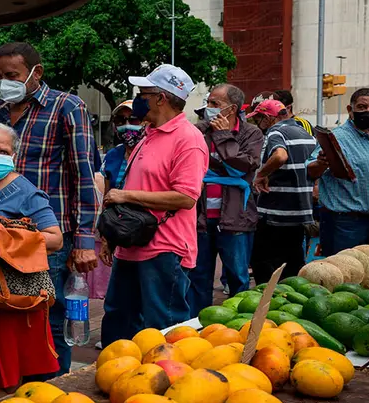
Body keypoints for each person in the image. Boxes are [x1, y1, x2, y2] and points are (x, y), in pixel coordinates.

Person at [0, 42, 98, 376]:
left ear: (37, 73)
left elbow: (84, 174)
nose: (5, 82)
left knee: (49, 317)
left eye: (12, 75)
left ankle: (53, 388)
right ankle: (17, 387)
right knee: (8, 314)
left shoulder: (67, 107)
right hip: (0, 237)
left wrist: (85, 239)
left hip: (47, 237)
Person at [100, 65, 208, 346]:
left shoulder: (188, 139)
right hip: (131, 245)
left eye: (143, 93)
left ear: (162, 98)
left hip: (164, 250)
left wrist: (126, 196)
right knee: (118, 321)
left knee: (164, 328)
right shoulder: (148, 134)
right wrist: (113, 236)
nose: (138, 99)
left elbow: (186, 196)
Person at [0, 122, 63, 399]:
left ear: (14, 156)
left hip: (4, 297)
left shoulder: (24, 191)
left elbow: (55, 238)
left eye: (2, 150)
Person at [189, 84, 262, 317]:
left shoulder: (251, 133)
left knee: (238, 277)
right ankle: (196, 325)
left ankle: (240, 323)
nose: (208, 108)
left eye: (214, 104)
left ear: (232, 108)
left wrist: (222, 136)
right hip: (200, 218)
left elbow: (245, 166)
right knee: (198, 277)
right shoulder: (199, 131)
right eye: (208, 102)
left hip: (235, 219)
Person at [306, 88, 369, 255]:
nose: (367, 111)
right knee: (344, 276)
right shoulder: (337, 137)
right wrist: (321, 162)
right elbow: (311, 170)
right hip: (345, 225)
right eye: (362, 107)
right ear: (350, 109)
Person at [249, 99, 316, 282]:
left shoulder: (276, 132)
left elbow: (280, 156)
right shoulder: (306, 134)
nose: (258, 124)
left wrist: (261, 174)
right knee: (292, 264)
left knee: (263, 263)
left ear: (267, 118)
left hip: (276, 211)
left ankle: (267, 304)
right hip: (300, 211)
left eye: (258, 119)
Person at [100, 100, 144, 193]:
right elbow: (107, 194)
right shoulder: (112, 155)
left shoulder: (155, 154)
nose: (127, 125)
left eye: (134, 119)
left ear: (145, 122)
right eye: (120, 120)